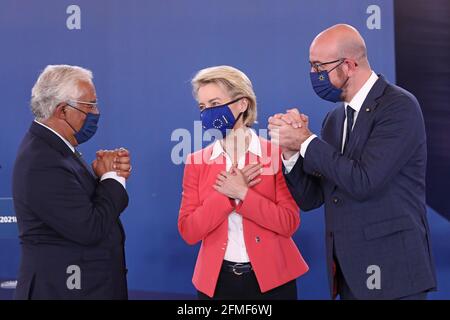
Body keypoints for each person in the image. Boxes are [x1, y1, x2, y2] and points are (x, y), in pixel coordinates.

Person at [268, 24, 437, 300]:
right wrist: (290, 152)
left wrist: (306, 142)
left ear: (348, 65)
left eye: (319, 67)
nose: (313, 75)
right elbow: (311, 198)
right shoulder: (334, 120)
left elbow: (364, 181)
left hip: (393, 274)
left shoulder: (399, 106)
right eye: (311, 67)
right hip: (348, 274)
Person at [178, 65, 308, 300]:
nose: (208, 112)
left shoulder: (275, 154)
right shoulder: (196, 162)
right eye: (202, 106)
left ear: (243, 103)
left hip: (273, 283)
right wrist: (226, 197)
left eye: (215, 104)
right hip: (217, 283)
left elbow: (289, 223)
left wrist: (243, 193)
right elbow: (189, 231)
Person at [12, 65, 132, 299]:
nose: (96, 112)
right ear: (63, 110)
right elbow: (90, 228)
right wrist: (112, 179)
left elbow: (74, 208)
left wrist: (99, 177)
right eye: (90, 105)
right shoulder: (43, 160)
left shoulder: (55, 148)